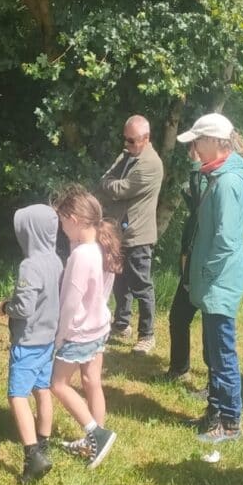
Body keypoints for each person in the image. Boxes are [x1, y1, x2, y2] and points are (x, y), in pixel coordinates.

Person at [176, 114, 243, 444]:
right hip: (213, 281)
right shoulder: (215, 176)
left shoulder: (227, 184)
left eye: (197, 141)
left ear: (213, 142)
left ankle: (230, 422)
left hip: (220, 281)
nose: (193, 147)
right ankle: (214, 409)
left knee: (223, 354)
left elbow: (226, 240)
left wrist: (205, 272)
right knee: (214, 348)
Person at [49, 186, 122, 468]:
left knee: (58, 384)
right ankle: (96, 441)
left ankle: (96, 434)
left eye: (63, 222)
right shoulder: (103, 245)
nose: (62, 228)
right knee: (93, 382)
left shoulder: (81, 256)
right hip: (99, 328)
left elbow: (69, 304)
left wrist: (59, 338)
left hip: (77, 332)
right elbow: (102, 293)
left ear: (75, 220)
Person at [0, 204, 63, 485]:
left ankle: (32, 455)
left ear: (31, 233)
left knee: (17, 395)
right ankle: (44, 442)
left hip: (28, 341)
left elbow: (23, 308)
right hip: (48, 339)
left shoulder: (30, 265)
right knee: (42, 389)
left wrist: (6, 307)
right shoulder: (56, 260)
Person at [99, 115, 164, 353]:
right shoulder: (127, 155)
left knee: (141, 286)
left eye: (131, 140)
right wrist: (109, 183)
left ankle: (147, 335)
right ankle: (122, 323)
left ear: (146, 139)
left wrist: (108, 184)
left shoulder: (150, 164)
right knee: (119, 282)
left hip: (138, 234)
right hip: (120, 232)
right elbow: (107, 180)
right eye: (125, 139)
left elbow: (118, 188)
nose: (126, 144)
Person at [166, 146, 206, 383]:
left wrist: (196, 167)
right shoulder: (205, 176)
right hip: (191, 260)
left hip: (206, 266)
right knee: (178, 316)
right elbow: (196, 205)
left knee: (213, 332)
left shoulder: (217, 178)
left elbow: (201, 202)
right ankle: (179, 369)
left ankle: (217, 390)